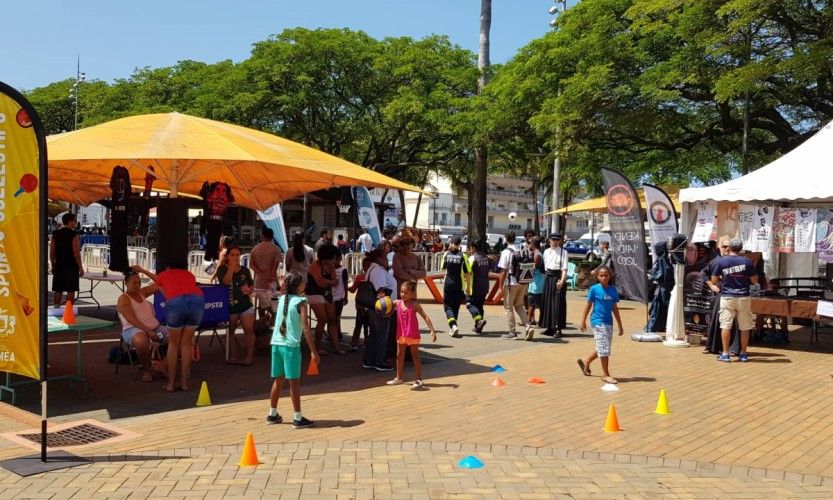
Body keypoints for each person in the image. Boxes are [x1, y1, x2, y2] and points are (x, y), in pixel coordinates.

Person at [268, 271, 319, 428]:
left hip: (276, 344)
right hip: (290, 346)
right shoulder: (301, 302)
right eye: (303, 282)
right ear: (299, 285)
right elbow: (306, 328)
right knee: (294, 383)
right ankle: (297, 417)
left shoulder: (283, 298)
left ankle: (272, 413)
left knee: (278, 379)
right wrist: (313, 351)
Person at [150, 257, 205, 392]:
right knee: (186, 343)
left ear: (168, 267)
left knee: (173, 344)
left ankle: (170, 383)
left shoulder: (163, 274)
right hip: (197, 300)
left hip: (176, 302)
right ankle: (184, 383)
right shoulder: (189, 275)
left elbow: (164, 291)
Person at [116, 266, 168, 382]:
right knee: (142, 340)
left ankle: (162, 365)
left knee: (181, 336)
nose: (137, 285)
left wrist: (144, 271)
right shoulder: (123, 298)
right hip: (132, 329)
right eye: (134, 283)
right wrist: (148, 331)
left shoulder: (142, 292)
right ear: (126, 283)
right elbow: (131, 319)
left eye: (139, 282)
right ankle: (147, 370)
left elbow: (162, 282)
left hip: (155, 327)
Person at [710, 238, 758, 362]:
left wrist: (724, 278)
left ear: (729, 248)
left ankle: (725, 354)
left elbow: (714, 280)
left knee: (725, 325)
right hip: (743, 296)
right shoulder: (747, 262)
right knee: (745, 326)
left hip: (727, 296)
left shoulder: (722, 261)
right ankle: (743, 353)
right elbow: (754, 280)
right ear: (741, 249)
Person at [386, 280, 437, 388]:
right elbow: (387, 303)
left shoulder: (415, 305)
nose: (402, 294)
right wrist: (382, 299)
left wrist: (432, 330)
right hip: (401, 334)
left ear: (412, 294)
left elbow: (425, 316)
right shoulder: (398, 303)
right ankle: (399, 378)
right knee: (399, 356)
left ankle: (419, 379)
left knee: (415, 356)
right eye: (401, 292)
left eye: (405, 292)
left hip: (412, 334)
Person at [578, 266, 624, 384]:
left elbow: (615, 308)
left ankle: (586, 361)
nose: (604, 278)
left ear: (610, 276)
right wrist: (583, 321)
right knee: (604, 348)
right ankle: (605, 375)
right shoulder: (594, 289)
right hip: (597, 321)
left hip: (609, 322)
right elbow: (588, 305)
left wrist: (620, 325)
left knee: (603, 346)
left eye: (606, 275)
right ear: (597, 277)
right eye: (601, 276)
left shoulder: (613, 290)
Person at [217, 246, 256, 365]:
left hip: (245, 305)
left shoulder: (245, 270)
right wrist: (231, 268)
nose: (235, 257)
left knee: (249, 330)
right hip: (230, 306)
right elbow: (226, 282)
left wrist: (249, 290)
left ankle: (249, 357)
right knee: (231, 331)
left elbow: (251, 285)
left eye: (237, 255)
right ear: (227, 256)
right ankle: (233, 355)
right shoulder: (222, 269)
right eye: (232, 255)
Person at [306, 244, 346, 355]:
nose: (334, 260)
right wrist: (327, 282)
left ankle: (336, 347)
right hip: (314, 293)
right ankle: (317, 346)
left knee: (332, 320)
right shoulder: (315, 265)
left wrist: (325, 281)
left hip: (327, 293)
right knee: (322, 319)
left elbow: (334, 282)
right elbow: (320, 282)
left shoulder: (331, 266)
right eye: (333, 257)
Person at [362, 249, 395, 371]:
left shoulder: (373, 269)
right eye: (386, 258)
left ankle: (369, 360)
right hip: (381, 308)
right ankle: (379, 361)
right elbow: (380, 291)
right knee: (381, 334)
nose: (387, 260)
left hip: (374, 307)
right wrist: (387, 308)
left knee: (375, 334)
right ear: (379, 259)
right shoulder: (378, 271)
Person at [497, 232, 534, 340]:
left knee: (508, 307)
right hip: (523, 281)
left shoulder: (506, 252)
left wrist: (500, 287)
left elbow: (503, 271)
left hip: (511, 283)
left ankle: (512, 332)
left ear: (506, 239)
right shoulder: (521, 249)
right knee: (519, 305)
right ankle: (528, 326)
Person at [50, 212, 84, 306]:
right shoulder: (74, 234)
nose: (75, 223)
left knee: (58, 289)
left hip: (59, 264)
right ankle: (68, 312)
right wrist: (81, 267)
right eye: (75, 221)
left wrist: (53, 265)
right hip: (71, 265)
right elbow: (76, 253)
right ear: (70, 222)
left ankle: (56, 309)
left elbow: (52, 251)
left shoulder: (55, 233)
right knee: (70, 289)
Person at [441, 236, 471, 338]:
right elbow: (467, 273)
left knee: (447, 306)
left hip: (448, 285)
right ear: (459, 244)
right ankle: (454, 327)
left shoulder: (446, 254)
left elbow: (443, 269)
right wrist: (468, 287)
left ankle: (453, 326)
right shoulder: (463, 256)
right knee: (455, 307)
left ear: (451, 242)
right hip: (459, 285)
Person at [540, 233, 569, 337]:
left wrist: (561, 281)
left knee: (558, 304)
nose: (556, 242)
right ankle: (549, 327)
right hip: (548, 278)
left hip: (558, 278)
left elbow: (565, 269)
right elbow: (545, 267)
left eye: (557, 240)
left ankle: (558, 328)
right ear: (550, 241)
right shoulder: (546, 252)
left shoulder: (563, 252)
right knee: (547, 302)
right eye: (554, 240)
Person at [249, 227, 281, 312]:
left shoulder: (255, 248)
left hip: (258, 281)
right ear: (272, 237)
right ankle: (271, 321)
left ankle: (263, 322)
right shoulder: (276, 249)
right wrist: (269, 278)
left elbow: (251, 265)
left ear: (262, 236)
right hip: (272, 281)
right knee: (274, 304)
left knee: (261, 303)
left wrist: (261, 274)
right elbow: (275, 267)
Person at [646, 241, 674, 332]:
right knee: (659, 308)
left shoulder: (662, 260)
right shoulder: (665, 259)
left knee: (658, 308)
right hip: (664, 288)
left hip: (663, 289)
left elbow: (661, 274)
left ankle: (653, 327)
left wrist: (652, 274)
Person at [348, 258, 372, 352]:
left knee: (358, 324)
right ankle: (368, 342)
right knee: (370, 324)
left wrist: (347, 288)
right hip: (370, 304)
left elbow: (353, 289)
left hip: (360, 304)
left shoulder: (359, 277)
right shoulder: (375, 277)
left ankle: (354, 343)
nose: (365, 268)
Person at [466, 241, 491, 334]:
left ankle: (479, 321)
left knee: (470, 304)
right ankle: (478, 327)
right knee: (480, 306)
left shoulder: (472, 258)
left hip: (474, 286)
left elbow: (466, 272)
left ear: (474, 248)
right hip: (484, 285)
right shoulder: (486, 257)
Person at [525, 236, 545, 326]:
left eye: (530, 243)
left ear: (533, 244)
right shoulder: (536, 253)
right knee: (534, 303)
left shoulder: (537, 255)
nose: (529, 245)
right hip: (536, 281)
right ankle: (536, 321)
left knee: (532, 302)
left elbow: (534, 267)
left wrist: (522, 266)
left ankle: (529, 321)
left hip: (537, 282)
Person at [332, 253, 349, 341]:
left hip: (340, 296)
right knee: (332, 317)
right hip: (331, 297)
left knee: (337, 316)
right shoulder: (330, 269)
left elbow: (345, 284)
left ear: (339, 260)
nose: (334, 261)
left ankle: (338, 334)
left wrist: (346, 297)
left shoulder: (343, 270)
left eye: (336, 259)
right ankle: (334, 334)